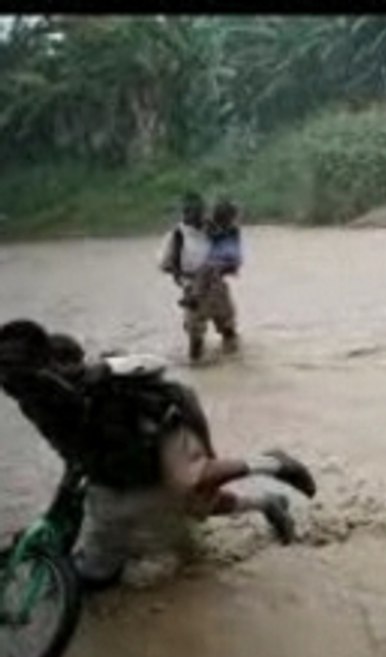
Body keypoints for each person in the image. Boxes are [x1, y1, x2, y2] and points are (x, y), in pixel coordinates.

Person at [0, 319, 317, 588]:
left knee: (192, 485)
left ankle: (272, 462)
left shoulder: (102, 381)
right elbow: (74, 458)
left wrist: (106, 369)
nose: (13, 379)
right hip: (126, 474)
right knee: (188, 506)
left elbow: (160, 372)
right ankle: (266, 503)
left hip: (165, 437)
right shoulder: (40, 403)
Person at [158, 192, 240, 363]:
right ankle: (197, 365)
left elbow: (231, 255)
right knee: (195, 337)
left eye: (199, 211)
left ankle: (235, 365)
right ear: (185, 213)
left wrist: (224, 265)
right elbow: (166, 265)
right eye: (192, 211)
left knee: (228, 330)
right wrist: (184, 276)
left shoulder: (212, 229)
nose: (197, 215)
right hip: (192, 289)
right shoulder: (177, 235)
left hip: (217, 286)